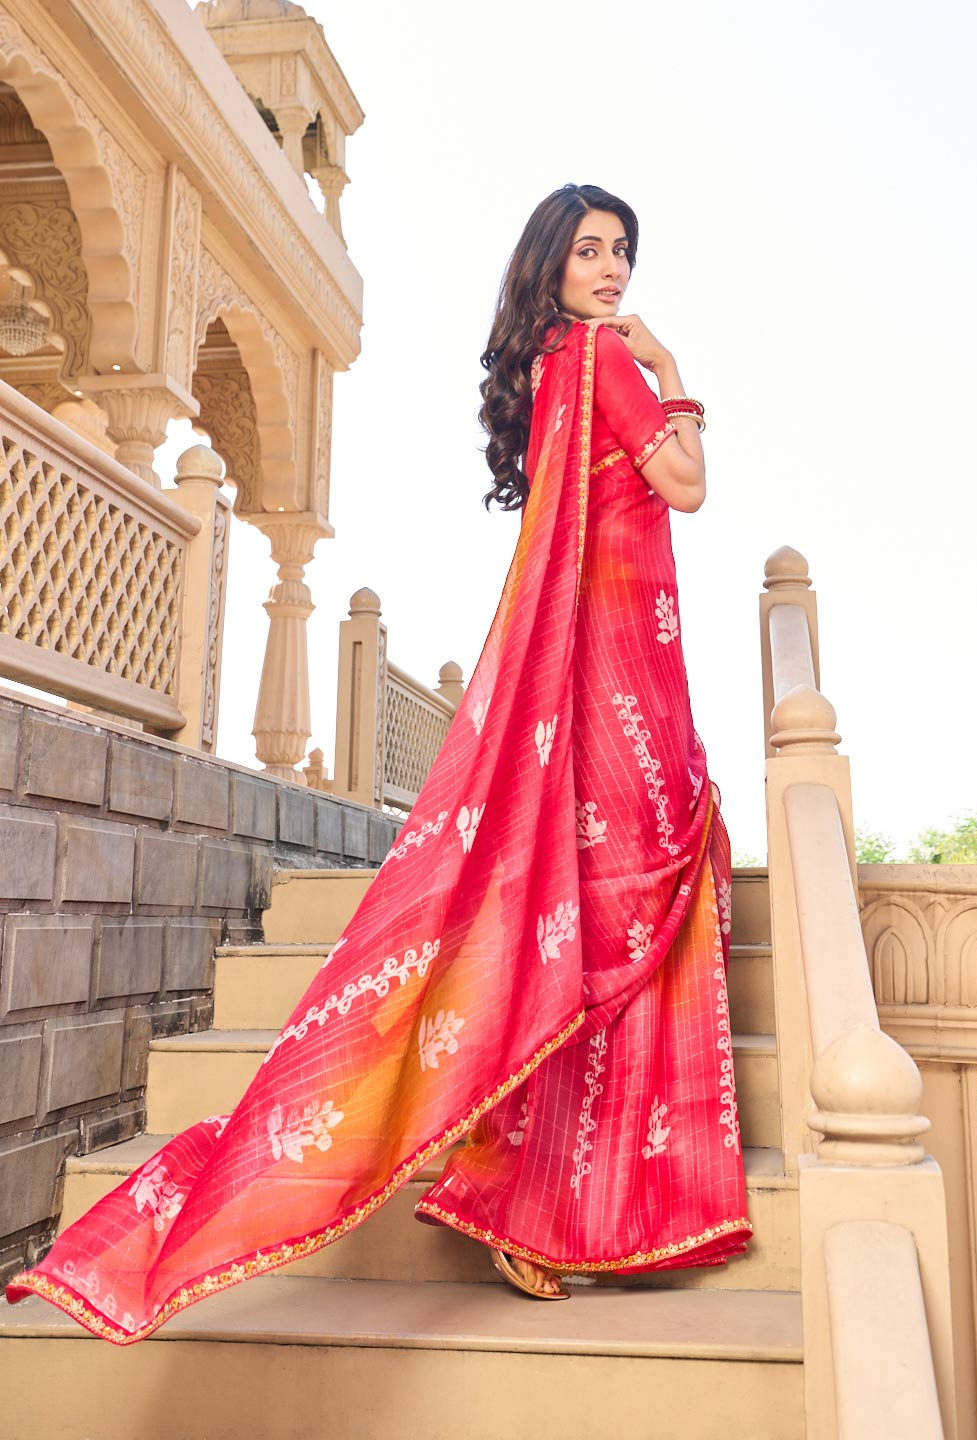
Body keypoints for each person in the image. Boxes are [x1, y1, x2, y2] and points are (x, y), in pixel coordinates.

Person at [5, 183, 749, 1340]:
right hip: (613, 691)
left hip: (604, 682)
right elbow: (687, 485)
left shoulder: (557, 366)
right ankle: (535, 1197)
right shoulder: (606, 361)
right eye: (589, 249)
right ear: (549, 264)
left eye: (622, 254)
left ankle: (534, 1188)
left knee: (583, 919)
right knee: (606, 920)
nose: (610, 270)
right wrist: (678, 368)